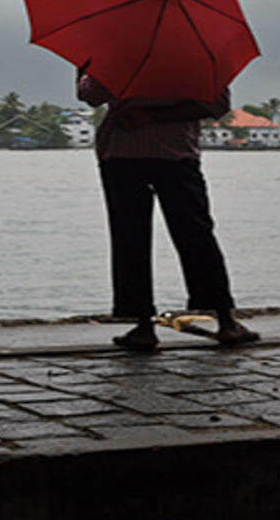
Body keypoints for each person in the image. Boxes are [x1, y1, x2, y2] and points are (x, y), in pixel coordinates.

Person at [78, 67, 259, 351]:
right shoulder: (193, 55)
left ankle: (143, 326)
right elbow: (216, 104)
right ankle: (225, 321)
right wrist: (162, 115)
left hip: (123, 154)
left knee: (130, 239)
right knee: (196, 236)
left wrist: (83, 64)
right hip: (175, 154)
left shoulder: (114, 53)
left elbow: (89, 94)